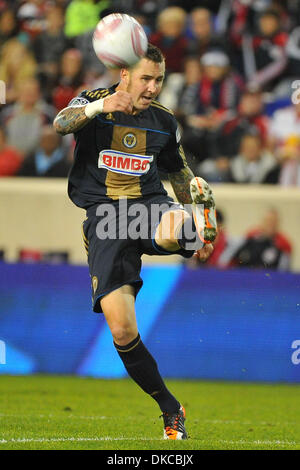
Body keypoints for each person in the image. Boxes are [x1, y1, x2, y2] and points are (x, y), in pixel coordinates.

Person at [53, 43, 217, 440]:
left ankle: (193, 231)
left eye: (158, 79)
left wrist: (192, 203)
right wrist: (99, 108)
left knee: (175, 224)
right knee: (123, 331)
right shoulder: (96, 100)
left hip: (147, 205)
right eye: (146, 78)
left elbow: (177, 173)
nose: (153, 87)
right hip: (106, 218)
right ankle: (170, 408)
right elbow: (61, 122)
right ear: (124, 74)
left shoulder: (164, 120)